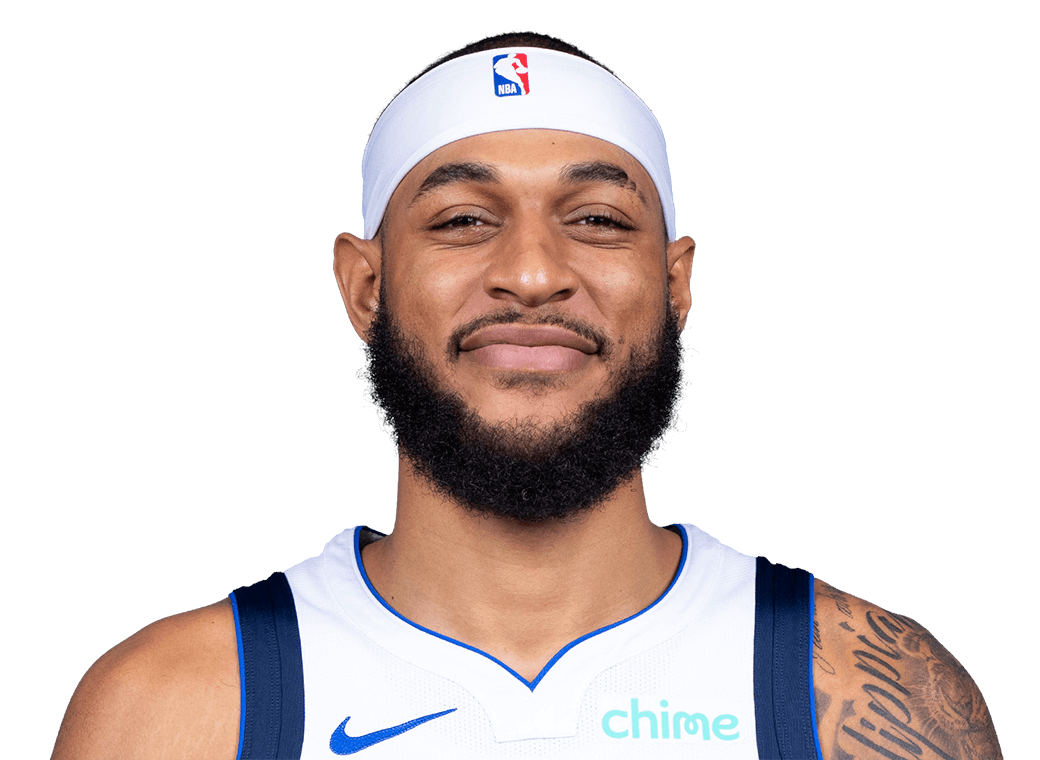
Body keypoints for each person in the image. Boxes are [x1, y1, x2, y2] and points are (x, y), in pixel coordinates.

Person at [51, 31, 1002, 760]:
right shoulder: (177, 707)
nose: (535, 274)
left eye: (597, 219)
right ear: (365, 288)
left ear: (675, 286)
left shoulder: (868, 691)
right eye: (465, 219)